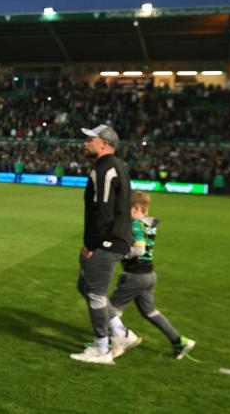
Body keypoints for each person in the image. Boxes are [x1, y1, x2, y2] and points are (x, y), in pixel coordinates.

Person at [107, 191, 196, 360]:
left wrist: (120, 252)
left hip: (135, 275)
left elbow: (139, 249)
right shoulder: (149, 224)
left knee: (110, 311)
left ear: (134, 209)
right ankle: (179, 341)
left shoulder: (135, 225)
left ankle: (112, 344)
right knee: (150, 312)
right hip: (149, 275)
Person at [70, 124, 132, 365]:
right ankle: (119, 333)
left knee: (95, 294)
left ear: (104, 144)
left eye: (90, 139)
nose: (85, 143)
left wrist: (92, 244)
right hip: (113, 240)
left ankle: (102, 349)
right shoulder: (115, 166)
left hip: (106, 242)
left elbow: (103, 213)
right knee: (85, 286)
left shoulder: (105, 169)